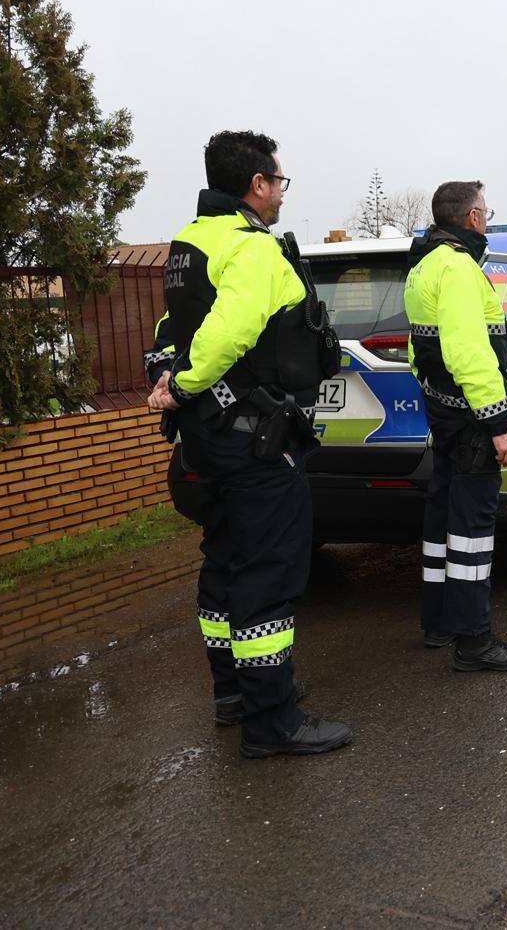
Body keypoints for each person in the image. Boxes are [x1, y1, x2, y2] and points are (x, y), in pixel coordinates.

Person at [146, 130, 352, 758]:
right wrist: (182, 383)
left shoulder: (189, 244)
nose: (282, 192)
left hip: (208, 439)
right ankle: (273, 722)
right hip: (256, 440)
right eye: (279, 181)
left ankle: (233, 694)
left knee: (227, 560)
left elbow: (171, 327)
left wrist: (170, 377)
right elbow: (230, 331)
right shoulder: (253, 249)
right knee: (269, 570)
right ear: (257, 185)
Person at [404, 180, 507, 671]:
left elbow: (421, 349)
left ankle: (438, 623)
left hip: (444, 411)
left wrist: (436, 399)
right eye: (488, 211)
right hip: (471, 416)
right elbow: (469, 352)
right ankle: (474, 641)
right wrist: (496, 423)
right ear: (474, 218)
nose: (489, 218)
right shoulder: (459, 269)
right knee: (472, 532)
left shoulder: (423, 266)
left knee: (442, 521)